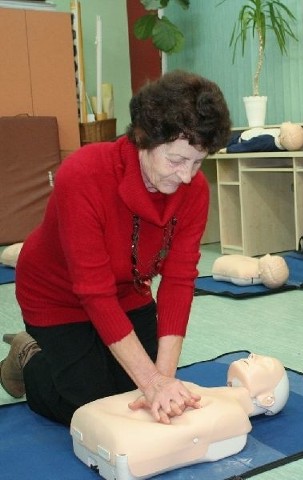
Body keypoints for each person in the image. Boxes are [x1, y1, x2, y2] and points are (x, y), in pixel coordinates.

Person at [0, 70, 232, 426]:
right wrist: (152, 382)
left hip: (128, 290)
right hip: (56, 296)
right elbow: (93, 292)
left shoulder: (194, 190)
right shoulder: (83, 174)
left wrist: (162, 378)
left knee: (132, 397)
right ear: (143, 138)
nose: (187, 176)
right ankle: (28, 355)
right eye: (175, 160)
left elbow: (179, 280)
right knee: (92, 408)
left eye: (198, 162)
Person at [71, 353, 289, 478]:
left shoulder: (231, 416)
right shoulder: (194, 389)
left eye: (264, 363)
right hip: (107, 432)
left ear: (267, 399)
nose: (254, 355)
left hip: (118, 443)